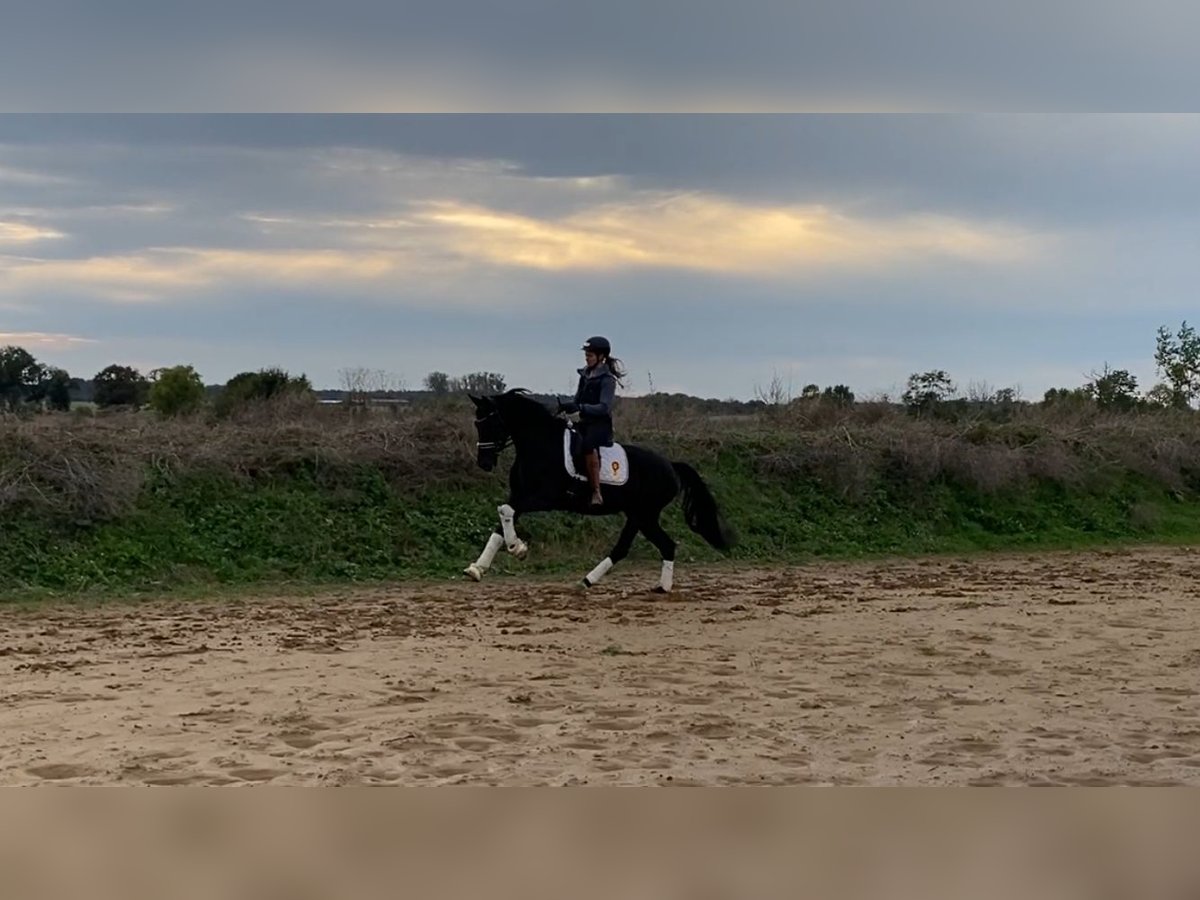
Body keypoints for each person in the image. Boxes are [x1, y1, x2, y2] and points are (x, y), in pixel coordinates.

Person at [558, 336, 625, 506]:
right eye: (586, 355)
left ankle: (596, 491)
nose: (587, 358)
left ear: (601, 357)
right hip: (585, 422)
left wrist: (581, 408)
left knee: (587, 445)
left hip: (600, 426)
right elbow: (577, 400)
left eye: (590, 355)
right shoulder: (585, 375)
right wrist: (567, 406)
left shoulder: (607, 380)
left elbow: (604, 407)